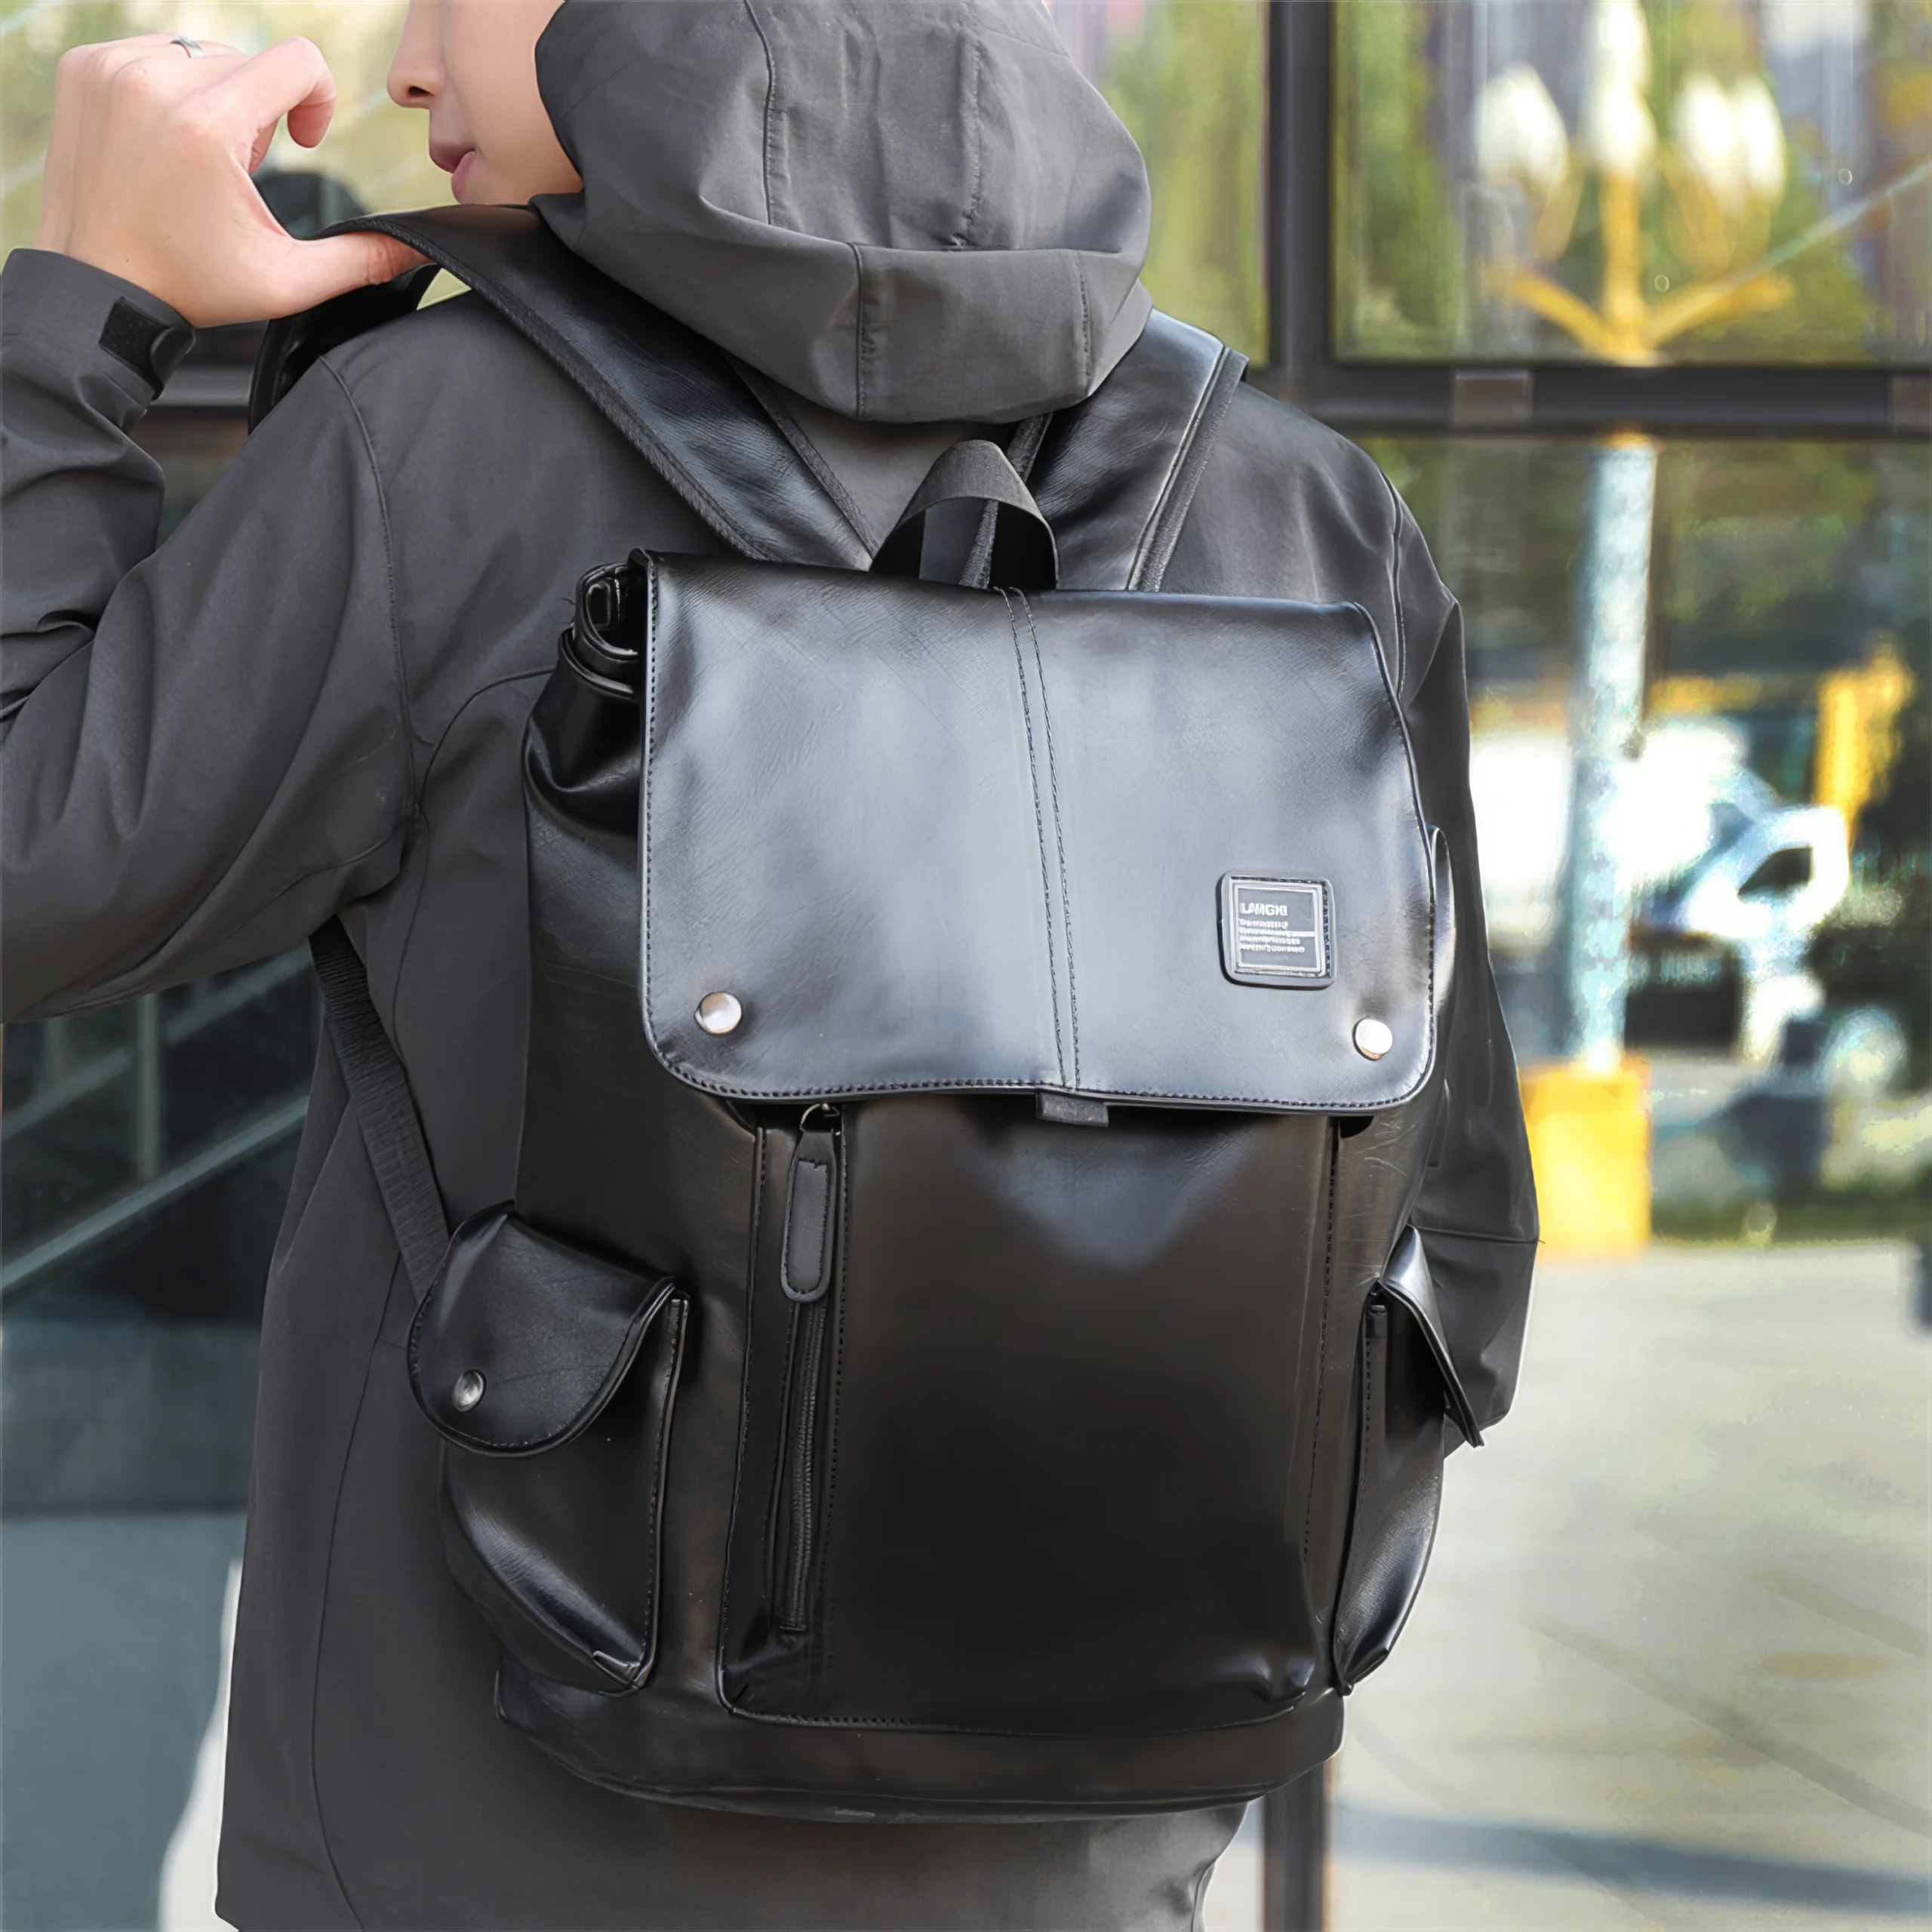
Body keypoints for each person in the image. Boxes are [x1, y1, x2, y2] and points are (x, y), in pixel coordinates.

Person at [2, 2, 1537, 1925]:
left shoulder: (430, 449)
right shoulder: (1300, 506)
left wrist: (82, 304)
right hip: (1089, 1848)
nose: (404, 63)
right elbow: (1455, 1234)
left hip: (478, 1835)